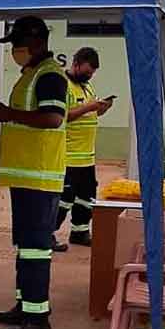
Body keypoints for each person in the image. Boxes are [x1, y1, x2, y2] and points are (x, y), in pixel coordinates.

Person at [0, 16, 68, 329]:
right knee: (25, 247)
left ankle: (38, 320)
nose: (15, 52)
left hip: (40, 178)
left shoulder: (49, 75)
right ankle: (25, 305)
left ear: (36, 41)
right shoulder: (31, 74)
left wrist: (7, 114)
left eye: (17, 45)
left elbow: (52, 117)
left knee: (36, 250)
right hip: (27, 178)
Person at [56, 47, 112, 246]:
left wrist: (101, 109)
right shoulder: (63, 86)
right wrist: (90, 106)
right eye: (87, 72)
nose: (90, 76)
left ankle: (80, 232)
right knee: (64, 199)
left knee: (86, 198)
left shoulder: (87, 87)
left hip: (87, 157)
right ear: (76, 64)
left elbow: (90, 115)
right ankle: (48, 234)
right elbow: (63, 116)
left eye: (93, 73)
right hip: (68, 156)